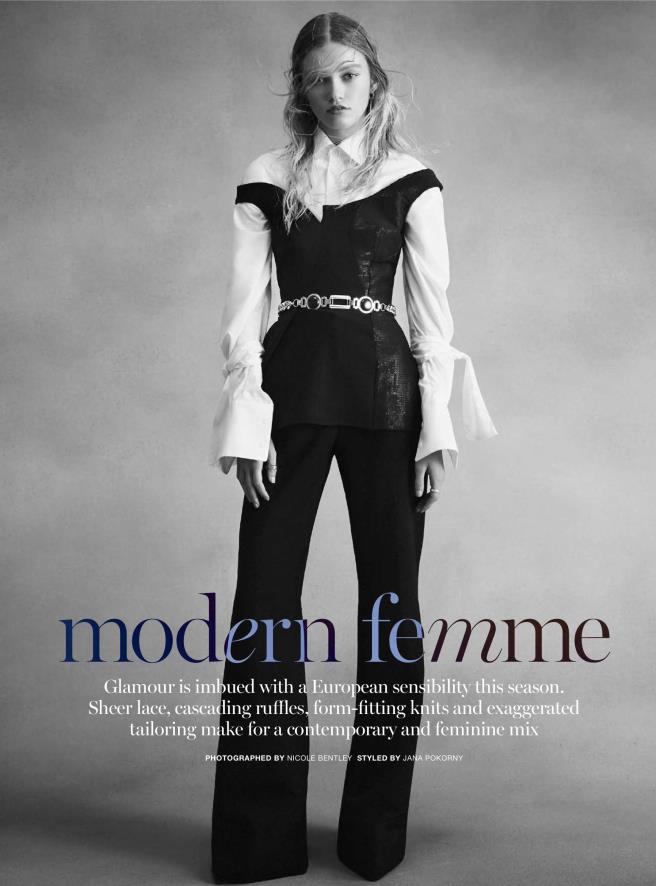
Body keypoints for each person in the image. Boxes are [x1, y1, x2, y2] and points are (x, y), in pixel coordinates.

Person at [209, 12, 497, 883]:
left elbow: (434, 317)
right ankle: (259, 842)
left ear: (373, 79)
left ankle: (373, 838)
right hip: (292, 394)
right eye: (318, 78)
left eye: (348, 75)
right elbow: (242, 314)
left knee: (391, 610)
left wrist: (436, 430)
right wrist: (245, 424)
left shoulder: (412, 180)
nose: (335, 92)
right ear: (299, 88)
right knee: (264, 605)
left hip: (386, 400)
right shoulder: (268, 175)